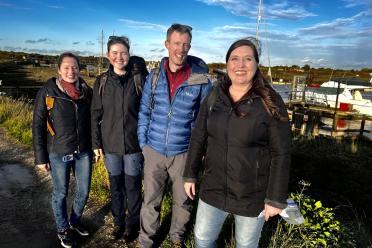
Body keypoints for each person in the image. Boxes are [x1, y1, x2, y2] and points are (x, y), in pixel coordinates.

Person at [183, 37, 292, 248]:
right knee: (203, 239)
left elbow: (282, 152)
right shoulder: (215, 95)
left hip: (251, 194)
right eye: (234, 58)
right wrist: (190, 174)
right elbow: (199, 136)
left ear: (256, 64)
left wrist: (275, 199)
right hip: (213, 188)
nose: (240, 65)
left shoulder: (270, 101)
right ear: (227, 64)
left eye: (247, 59)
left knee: (245, 245)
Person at [137, 23, 212, 247]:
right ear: (167, 44)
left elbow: (205, 120)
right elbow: (144, 111)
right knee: (150, 201)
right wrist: (144, 145)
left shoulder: (201, 80)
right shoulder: (154, 76)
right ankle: (145, 241)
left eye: (186, 45)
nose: (181, 49)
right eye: (177, 43)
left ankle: (176, 238)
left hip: (184, 153)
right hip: (154, 151)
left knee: (183, 202)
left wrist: (199, 152)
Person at [91, 36, 148, 241]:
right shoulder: (102, 81)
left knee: (132, 187)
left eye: (123, 52)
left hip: (134, 146)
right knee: (116, 187)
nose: (119, 57)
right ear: (108, 56)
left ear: (129, 53)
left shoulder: (139, 79)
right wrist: (96, 143)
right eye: (114, 53)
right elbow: (95, 114)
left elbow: (148, 110)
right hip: (111, 146)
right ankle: (118, 223)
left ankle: (131, 225)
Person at [32, 52, 93, 248]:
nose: (71, 71)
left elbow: (92, 121)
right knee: (61, 192)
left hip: (83, 151)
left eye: (74, 67)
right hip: (58, 151)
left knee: (83, 191)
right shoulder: (48, 92)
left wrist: (94, 147)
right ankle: (62, 228)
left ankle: (74, 222)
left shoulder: (86, 91)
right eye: (66, 67)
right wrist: (41, 157)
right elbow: (38, 125)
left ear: (79, 69)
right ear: (58, 70)